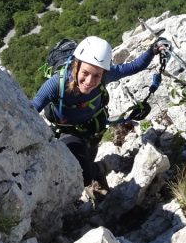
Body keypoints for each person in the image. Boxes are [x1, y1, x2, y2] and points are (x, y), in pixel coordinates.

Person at [31, 36, 166, 192]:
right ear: (76, 65)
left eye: (96, 75)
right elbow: (33, 108)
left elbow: (135, 66)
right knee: (83, 176)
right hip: (68, 132)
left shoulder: (105, 76)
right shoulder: (56, 84)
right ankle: (99, 171)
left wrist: (153, 50)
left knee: (89, 157)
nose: (89, 81)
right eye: (85, 73)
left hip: (94, 127)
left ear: (103, 73)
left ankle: (97, 174)